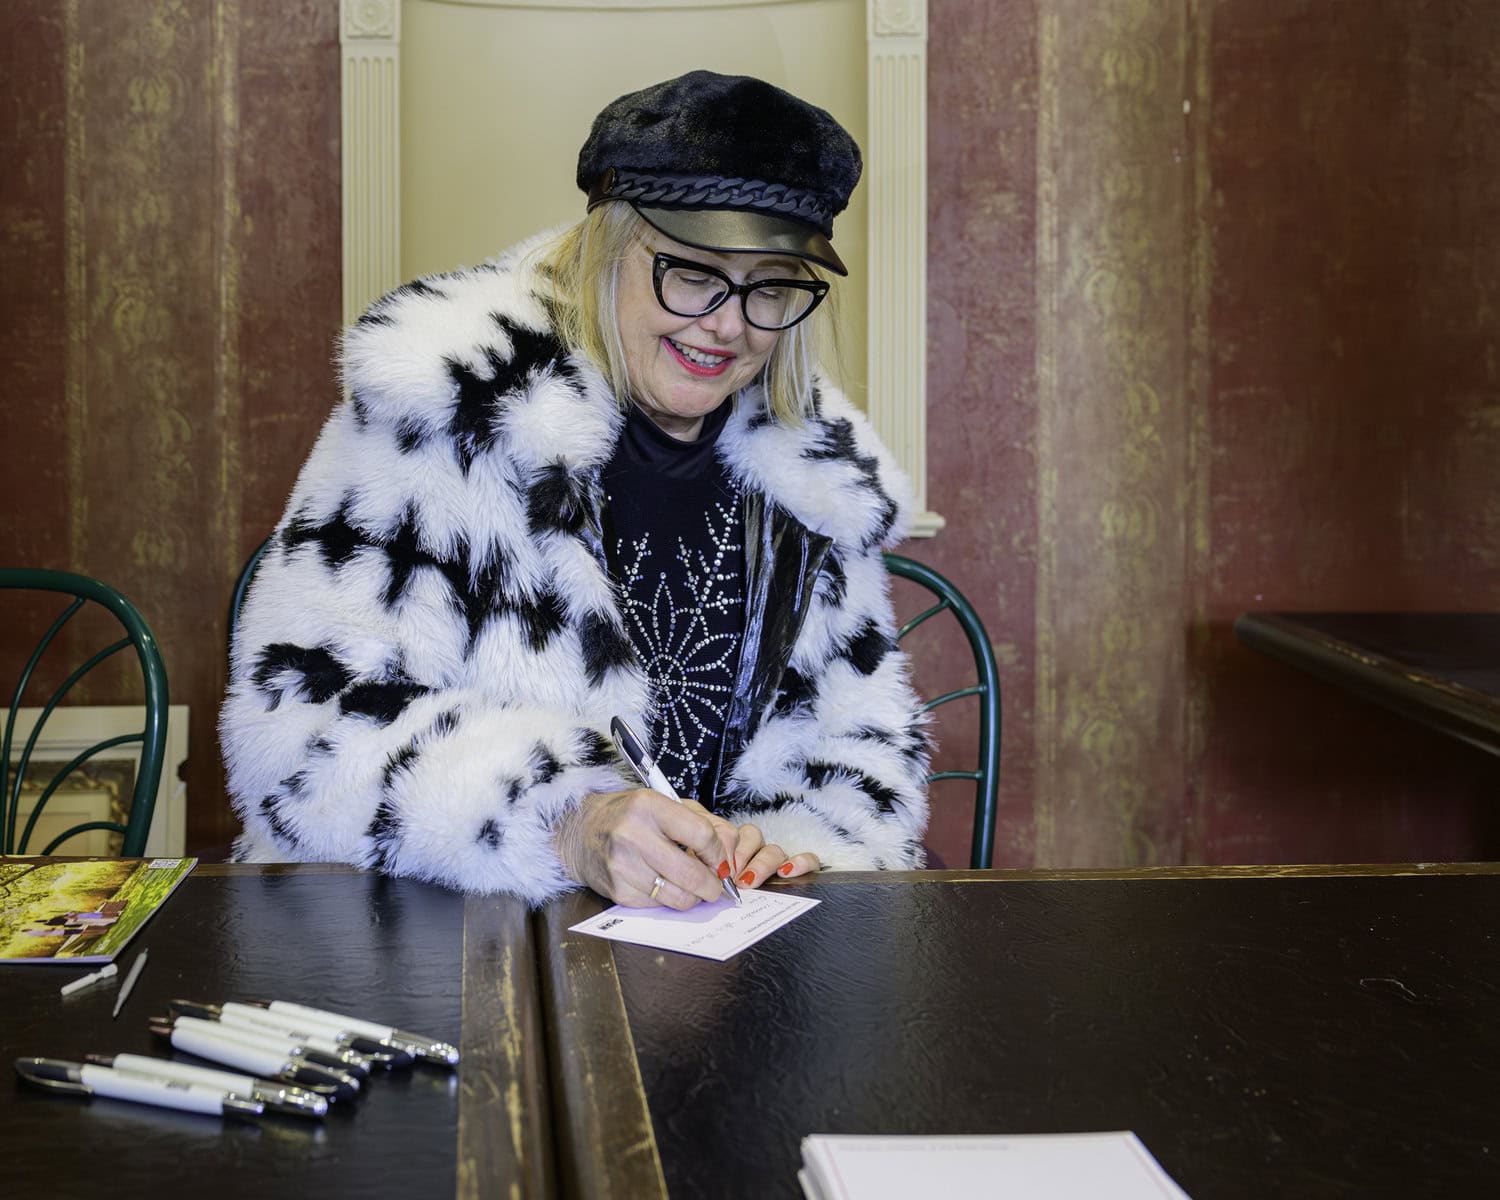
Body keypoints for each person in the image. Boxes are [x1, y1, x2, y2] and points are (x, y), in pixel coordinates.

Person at [222, 70, 930, 908]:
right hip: (437, 941)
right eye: (693, 273)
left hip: (704, 943)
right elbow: (296, 731)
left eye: (771, 286)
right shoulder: (451, 412)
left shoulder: (811, 484)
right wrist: (563, 819)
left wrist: (788, 846)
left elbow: (863, 742)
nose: (729, 323)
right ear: (605, 250)